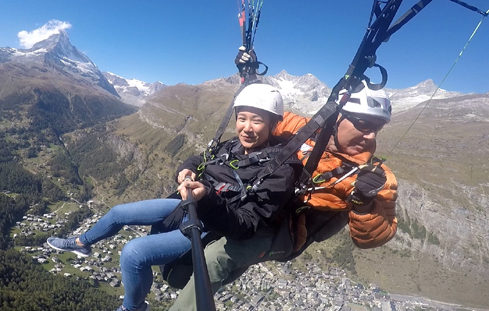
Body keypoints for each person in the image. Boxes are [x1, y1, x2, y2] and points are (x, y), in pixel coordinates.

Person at [47, 83, 299, 311]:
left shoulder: (280, 170)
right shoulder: (233, 146)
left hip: (208, 222)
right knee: (118, 212)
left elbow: (246, 224)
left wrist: (208, 198)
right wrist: (186, 168)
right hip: (189, 202)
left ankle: (133, 308)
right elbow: (202, 158)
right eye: (242, 118)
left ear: (273, 124)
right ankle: (82, 243)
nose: (247, 128)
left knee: (133, 254)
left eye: (256, 121)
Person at [168, 80, 397, 311]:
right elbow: (263, 116)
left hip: (283, 233)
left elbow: (376, 236)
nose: (370, 137)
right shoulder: (306, 128)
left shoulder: (374, 177)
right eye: (364, 125)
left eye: (376, 129)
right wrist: (249, 79)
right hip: (260, 206)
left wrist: (363, 205)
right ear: (337, 119)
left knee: (215, 259)